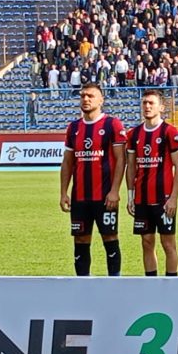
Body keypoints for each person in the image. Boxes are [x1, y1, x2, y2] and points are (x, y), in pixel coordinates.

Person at [59, 83, 127, 276]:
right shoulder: (73, 128)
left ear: (100, 100)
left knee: (110, 236)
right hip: (80, 197)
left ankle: (114, 282)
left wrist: (115, 191)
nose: (86, 99)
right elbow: (68, 162)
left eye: (90, 96)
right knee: (80, 240)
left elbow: (121, 159)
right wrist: (64, 192)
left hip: (105, 196)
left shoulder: (112, 124)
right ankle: (83, 283)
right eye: (83, 96)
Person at [125, 90, 178, 277]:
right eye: (144, 103)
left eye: (151, 103)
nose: (147, 106)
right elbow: (131, 167)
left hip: (163, 198)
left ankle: (172, 282)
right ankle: (151, 281)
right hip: (142, 198)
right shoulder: (134, 134)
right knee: (146, 241)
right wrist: (130, 195)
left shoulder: (169, 132)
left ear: (161, 107)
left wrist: (174, 198)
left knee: (168, 243)